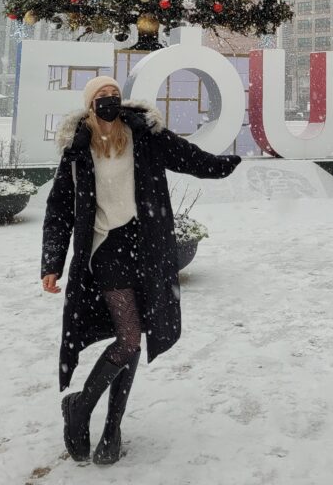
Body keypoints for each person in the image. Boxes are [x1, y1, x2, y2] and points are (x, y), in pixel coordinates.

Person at [41, 76, 241, 465]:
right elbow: (59, 210)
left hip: (143, 244)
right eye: (101, 97)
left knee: (129, 333)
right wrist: (52, 263)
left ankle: (112, 426)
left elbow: (190, 157)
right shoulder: (77, 150)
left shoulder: (143, 134)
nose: (110, 101)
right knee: (130, 335)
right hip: (105, 248)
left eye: (114, 95)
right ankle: (80, 406)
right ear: (89, 104)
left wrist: (225, 165)